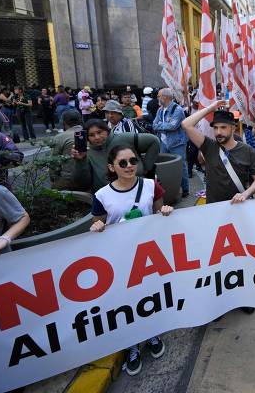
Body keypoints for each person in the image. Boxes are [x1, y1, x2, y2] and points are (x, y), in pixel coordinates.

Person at [88, 144, 171, 375]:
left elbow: (157, 215)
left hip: (148, 256)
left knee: (149, 297)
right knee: (126, 301)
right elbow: (98, 223)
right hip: (119, 258)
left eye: (133, 161)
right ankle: (132, 344)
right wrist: (96, 226)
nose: (129, 166)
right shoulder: (102, 196)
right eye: (122, 163)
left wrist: (164, 212)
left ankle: (152, 334)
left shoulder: (150, 185)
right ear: (111, 167)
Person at [182, 101, 255, 204]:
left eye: (223, 127)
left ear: (233, 128)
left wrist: (245, 194)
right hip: (214, 208)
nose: (218, 132)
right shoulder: (208, 146)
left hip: (239, 206)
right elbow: (186, 124)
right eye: (215, 128)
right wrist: (210, 108)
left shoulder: (248, 150)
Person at [70, 119, 160, 193]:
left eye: (99, 132)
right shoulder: (87, 152)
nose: (97, 137)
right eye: (91, 135)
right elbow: (82, 184)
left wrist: (146, 168)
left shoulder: (124, 138)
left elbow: (154, 141)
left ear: (107, 130)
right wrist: (80, 161)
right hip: (108, 197)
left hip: (137, 189)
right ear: (87, 137)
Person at [153, 88, 189, 197]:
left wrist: (159, 127)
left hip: (176, 143)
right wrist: (162, 127)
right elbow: (154, 124)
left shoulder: (177, 110)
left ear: (165, 97)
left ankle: (185, 189)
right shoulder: (160, 110)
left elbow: (173, 126)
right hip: (163, 143)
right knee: (165, 166)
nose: (157, 98)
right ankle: (170, 188)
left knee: (180, 166)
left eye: (158, 96)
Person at [50, 109, 83, 190]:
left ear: (64, 122)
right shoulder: (90, 132)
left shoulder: (60, 137)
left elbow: (53, 162)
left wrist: (53, 178)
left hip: (68, 178)